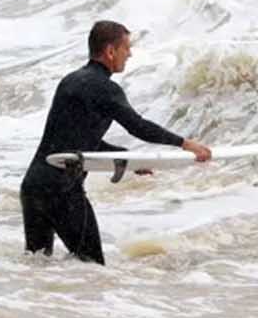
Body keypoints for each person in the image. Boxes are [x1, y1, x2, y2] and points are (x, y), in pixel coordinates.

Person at [20, 20, 212, 264]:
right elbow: (138, 126)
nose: (129, 54)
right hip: (62, 191)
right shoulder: (105, 89)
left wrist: (129, 160)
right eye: (126, 48)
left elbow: (78, 141)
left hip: (34, 186)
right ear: (110, 51)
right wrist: (185, 143)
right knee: (92, 268)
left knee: (37, 265)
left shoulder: (70, 81)